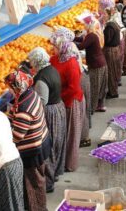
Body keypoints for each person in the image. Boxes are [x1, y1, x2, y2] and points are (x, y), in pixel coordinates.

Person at [5, 70, 50, 211]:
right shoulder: (29, 94)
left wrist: (1, 134)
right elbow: (14, 113)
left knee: (33, 184)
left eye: (10, 87)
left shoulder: (25, 107)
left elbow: (17, 136)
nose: (9, 91)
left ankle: (37, 208)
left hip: (32, 151)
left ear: (16, 87)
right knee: (38, 180)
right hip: (41, 141)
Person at [28, 47, 67, 193]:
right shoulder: (52, 69)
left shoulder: (41, 79)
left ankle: (48, 183)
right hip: (58, 107)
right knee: (57, 143)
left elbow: (41, 101)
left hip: (50, 112)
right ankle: (55, 173)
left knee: (48, 147)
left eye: (31, 62)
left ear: (36, 62)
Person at [50, 31, 86, 172]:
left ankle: (69, 164)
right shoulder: (55, 59)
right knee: (61, 134)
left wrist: (58, 97)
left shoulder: (71, 64)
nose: (53, 49)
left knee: (71, 134)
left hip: (72, 102)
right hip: (61, 101)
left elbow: (73, 89)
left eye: (55, 46)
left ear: (62, 47)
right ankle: (60, 162)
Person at [75, 15, 108, 113]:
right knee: (100, 86)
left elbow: (81, 46)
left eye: (84, 24)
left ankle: (92, 108)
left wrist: (70, 44)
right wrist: (73, 38)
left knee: (94, 86)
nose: (83, 26)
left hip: (96, 64)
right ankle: (99, 105)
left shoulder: (91, 36)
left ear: (88, 25)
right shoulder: (91, 34)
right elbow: (81, 40)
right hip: (100, 63)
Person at [102, 2, 122, 99]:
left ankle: (113, 92)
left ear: (108, 15)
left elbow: (107, 40)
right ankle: (113, 90)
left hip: (111, 51)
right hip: (115, 50)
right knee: (114, 71)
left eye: (104, 14)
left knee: (111, 71)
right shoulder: (113, 23)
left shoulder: (109, 26)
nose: (103, 16)